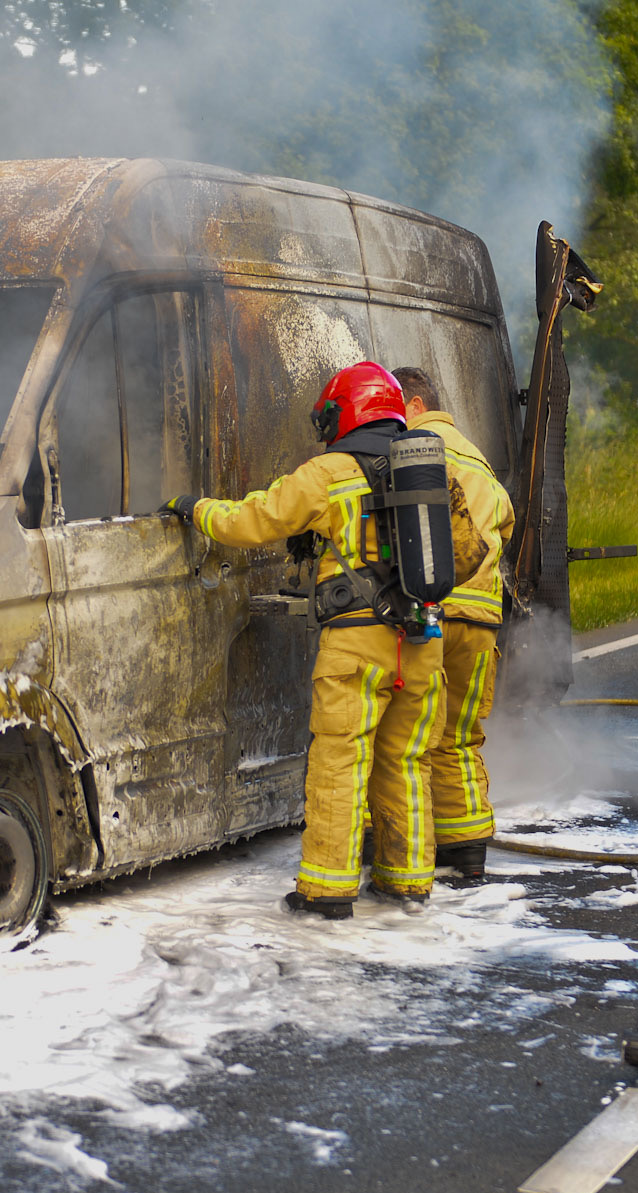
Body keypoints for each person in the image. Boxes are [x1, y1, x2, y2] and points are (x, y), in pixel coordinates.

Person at [162, 361, 487, 918]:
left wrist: (195, 510)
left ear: (345, 413)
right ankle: (407, 883)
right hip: (423, 638)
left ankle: (328, 890)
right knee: (406, 761)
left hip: (358, 644)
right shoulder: (431, 468)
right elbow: (470, 548)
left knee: (340, 761)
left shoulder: (329, 472)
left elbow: (254, 520)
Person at [393, 367, 516, 881]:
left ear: (415, 404)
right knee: (461, 736)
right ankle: (468, 849)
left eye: (397, 408)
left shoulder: (415, 448)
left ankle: (410, 853)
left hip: (435, 612)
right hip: (483, 619)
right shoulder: (476, 456)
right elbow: (505, 520)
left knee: (413, 737)